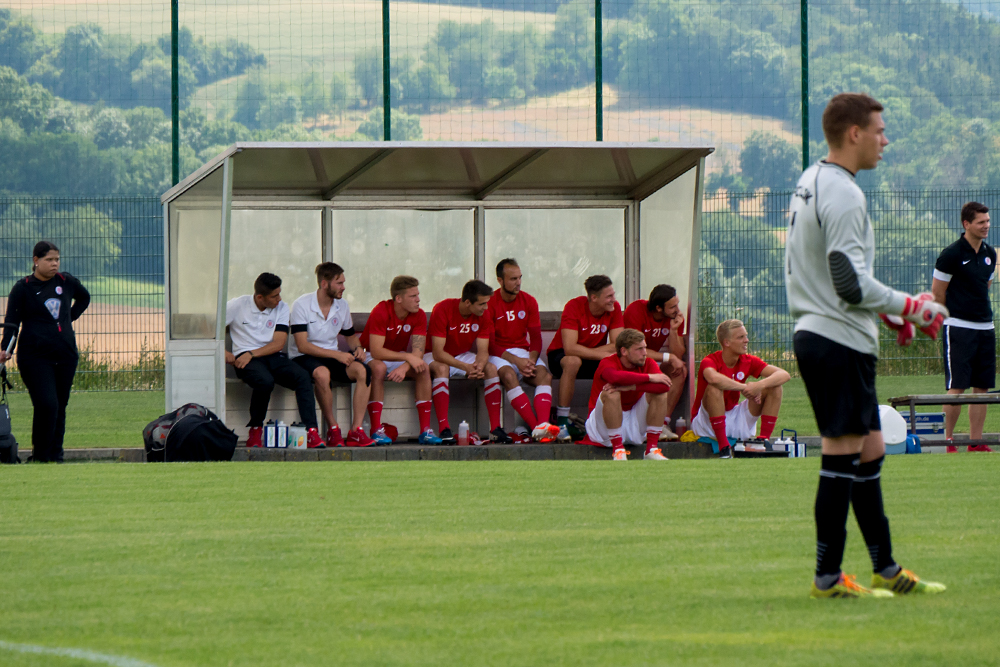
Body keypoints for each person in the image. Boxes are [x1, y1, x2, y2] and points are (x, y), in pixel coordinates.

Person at [786, 92, 948, 598]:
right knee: (841, 454)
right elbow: (848, 282)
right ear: (853, 133)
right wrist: (910, 307)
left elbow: (833, 277)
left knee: (870, 449)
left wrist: (884, 311)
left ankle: (886, 569)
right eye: (879, 129)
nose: (885, 139)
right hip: (835, 340)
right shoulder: (845, 193)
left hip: (827, 333)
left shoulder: (812, 181)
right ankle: (827, 578)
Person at [0, 241, 89, 463]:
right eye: (49, 260)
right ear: (36, 260)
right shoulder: (23, 288)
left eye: (57, 259)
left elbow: (84, 298)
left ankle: (55, 456)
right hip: (35, 357)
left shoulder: (66, 282)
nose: (54, 264)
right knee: (46, 404)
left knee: (60, 406)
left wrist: (69, 317)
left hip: (66, 355)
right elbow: (12, 322)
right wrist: (6, 349)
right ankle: (40, 456)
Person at [225, 273, 324, 449]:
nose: (279, 299)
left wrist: (252, 354)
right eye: (274, 296)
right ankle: (255, 430)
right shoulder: (236, 305)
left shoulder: (282, 307)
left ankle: (311, 432)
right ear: (260, 297)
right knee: (265, 381)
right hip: (244, 360)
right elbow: (208, 327)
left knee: (302, 377)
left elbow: (278, 343)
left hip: (269, 355)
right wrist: (224, 352)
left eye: (279, 293)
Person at [931, 201, 996, 453]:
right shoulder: (951, 255)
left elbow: (984, 287)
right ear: (966, 224)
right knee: (957, 386)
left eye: (988, 221)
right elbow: (938, 294)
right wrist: (953, 317)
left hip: (986, 329)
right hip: (958, 328)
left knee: (982, 387)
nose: (986, 226)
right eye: (981, 222)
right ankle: (947, 441)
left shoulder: (991, 254)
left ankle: (975, 442)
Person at [289, 263, 374, 447]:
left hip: (333, 356)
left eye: (343, 282)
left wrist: (358, 349)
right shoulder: (301, 304)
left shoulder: (342, 305)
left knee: (363, 371)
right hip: (303, 357)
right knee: (322, 373)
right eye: (339, 283)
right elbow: (302, 346)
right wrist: (337, 355)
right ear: (324, 284)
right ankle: (333, 428)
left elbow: (350, 336)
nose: (343, 287)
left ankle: (356, 431)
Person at [360, 275, 442, 445]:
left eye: (418, 295)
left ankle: (425, 430)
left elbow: (418, 352)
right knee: (378, 368)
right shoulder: (381, 310)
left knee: (423, 368)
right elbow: (376, 351)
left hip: (397, 356)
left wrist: (405, 367)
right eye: (413, 296)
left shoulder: (418, 315)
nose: (418, 300)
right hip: (370, 355)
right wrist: (406, 357)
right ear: (398, 298)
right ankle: (376, 430)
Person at [427, 279, 511, 444]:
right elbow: (437, 352)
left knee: (491, 368)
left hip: (461, 354)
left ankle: (495, 429)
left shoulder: (483, 315)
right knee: (442, 368)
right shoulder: (442, 309)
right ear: (467, 302)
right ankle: (444, 428)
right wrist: (465, 367)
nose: (486, 308)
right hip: (433, 355)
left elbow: (482, 350)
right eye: (482, 304)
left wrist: (478, 366)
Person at [691, 319, 789, 457]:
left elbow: (784, 374)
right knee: (714, 388)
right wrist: (744, 387)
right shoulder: (710, 360)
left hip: (734, 415)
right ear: (727, 343)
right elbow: (714, 378)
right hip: (706, 423)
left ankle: (763, 441)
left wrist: (759, 385)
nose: (746, 340)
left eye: (746, 336)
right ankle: (724, 447)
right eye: (740, 337)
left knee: (775, 386)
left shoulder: (748, 360)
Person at [488, 258, 560, 442]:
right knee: (509, 375)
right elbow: (489, 344)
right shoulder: (490, 303)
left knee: (545, 376)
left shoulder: (529, 301)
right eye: (513, 279)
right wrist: (515, 361)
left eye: (520, 277)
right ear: (500, 280)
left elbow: (535, 338)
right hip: (499, 353)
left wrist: (531, 359)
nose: (518, 282)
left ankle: (542, 426)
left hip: (522, 352)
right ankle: (538, 427)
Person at [547, 275, 624, 441]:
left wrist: (596, 353)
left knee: (616, 364)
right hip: (560, 356)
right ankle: (562, 422)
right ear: (594, 298)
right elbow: (570, 348)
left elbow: (618, 345)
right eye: (609, 296)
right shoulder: (574, 306)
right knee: (573, 361)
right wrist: (602, 354)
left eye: (614, 294)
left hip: (591, 355)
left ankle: (612, 423)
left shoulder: (614, 308)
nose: (614, 300)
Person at [583, 328, 672, 461]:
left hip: (634, 419)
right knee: (611, 393)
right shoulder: (608, 362)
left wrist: (631, 386)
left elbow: (664, 386)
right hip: (602, 427)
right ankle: (618, 450)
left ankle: (651, 450)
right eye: (639, 349)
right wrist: (649, 377)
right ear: (624, 351)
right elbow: (614, 378)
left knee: (660, 394)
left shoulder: (648, 362)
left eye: (645, 348)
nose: (645, 353)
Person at [623, 284, 688, 439]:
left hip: (651, 360)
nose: (677, 310)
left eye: (677, 304)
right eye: (672, 306)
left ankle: (663, 423)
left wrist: (673, 330)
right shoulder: (636, 310)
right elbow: (635, 350)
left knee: (680, 370)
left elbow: (678, 353)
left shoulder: (675, 318)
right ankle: (641, 425)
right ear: (659, 308)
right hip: (631, 361)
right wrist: (669, 357)